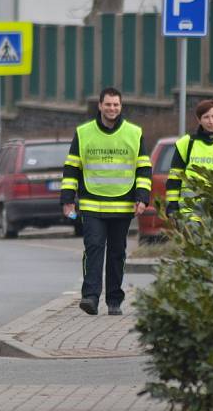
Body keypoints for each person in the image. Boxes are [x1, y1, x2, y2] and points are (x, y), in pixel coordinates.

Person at [60, 87, 152, 316]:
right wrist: (67, 199)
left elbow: (143, 169)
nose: (112, 108)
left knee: (117, 253)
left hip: (122, 205)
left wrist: (142, 198)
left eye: (116, 105)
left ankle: (114, 300)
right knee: (93, 249)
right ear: (100, 106)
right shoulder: (83, 133)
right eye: (108, 104)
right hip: (92, 205)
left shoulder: (134, 133)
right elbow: (72, 168)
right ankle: (90, 297)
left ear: (121, 107)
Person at [165, 99, 213, 219]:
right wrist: (172, 205)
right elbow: (174, 178)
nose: (211, 121)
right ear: (199, 120)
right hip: (190, 213)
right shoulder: (186, 143)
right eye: (206, 117)